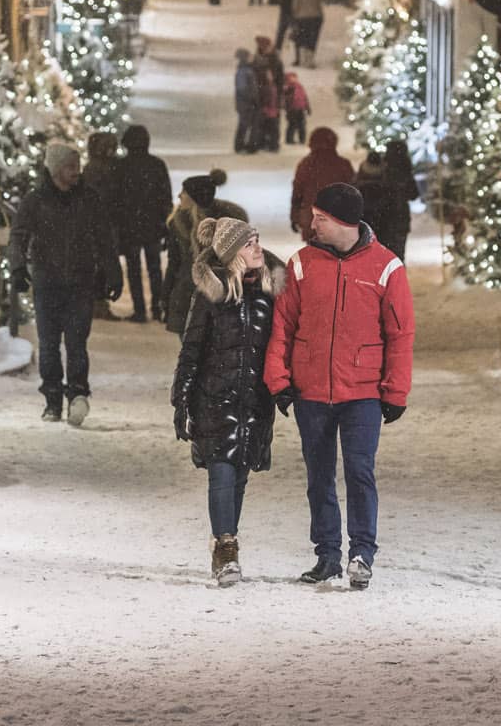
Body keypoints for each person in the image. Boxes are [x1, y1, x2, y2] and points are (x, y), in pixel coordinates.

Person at [264, 183, 415, 590]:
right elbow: (282, 327)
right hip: (311, 391)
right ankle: (327, 555)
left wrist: (395, 391)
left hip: (363, 392)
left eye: (320, 219)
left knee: (360, 471)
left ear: (344, 221)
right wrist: (279, 380)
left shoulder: (386, 267)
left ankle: (362, 553)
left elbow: (400, 334)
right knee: (319, 476)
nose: (312, 225)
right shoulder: (301, 265)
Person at [171, 218, 284, 585]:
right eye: (249, 243)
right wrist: (181, 401)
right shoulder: (211, 296)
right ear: (233, 253)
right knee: (221, 473)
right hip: (214, 400)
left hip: (254, 402)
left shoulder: (269, 294)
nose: (258, 248)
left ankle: (225, 540)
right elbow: (191, 351)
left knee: (238, 477)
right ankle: (226, 546)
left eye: (257, 240)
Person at [8, 143, 123, 426]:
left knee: (76, 343)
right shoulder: (35, 201)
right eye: (71, 167)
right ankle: (52, 399)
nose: (76, 172)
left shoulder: (89, 199)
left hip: (81, 283)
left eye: (77, 166)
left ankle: (77, 394)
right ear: (56, 169)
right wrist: (18, 267)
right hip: (46, 282)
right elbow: (18, 236)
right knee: (48, 344)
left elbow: (104, 239)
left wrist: (113, 272)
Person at [163, 171, 250, 334]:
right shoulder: (178, 225)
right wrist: (166, 295)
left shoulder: (227, 227)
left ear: (195, 198)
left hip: (213, 296)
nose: (179, 196)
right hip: (188, 295)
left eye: (184, 192)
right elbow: (174, 263)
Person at [114, 124, 173, 324]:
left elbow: (116, 199)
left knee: (134, 269)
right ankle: (157, 307)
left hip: (129, 225)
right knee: (154, 268)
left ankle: (139, 309)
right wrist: (165, 223)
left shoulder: (121, 167)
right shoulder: (157, 165)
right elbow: (165, 197)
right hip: (152, 225)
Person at [358, 139, 421, 259]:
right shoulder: (404, 170)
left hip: (382, 220)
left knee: (381, 255)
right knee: (398, 256)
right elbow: (414, 194)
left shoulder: (384, 170)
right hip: (400, 219)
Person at [289, 126, 355, 241]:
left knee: (315, 249)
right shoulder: (343, 165)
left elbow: (298, 194)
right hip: (338, 218)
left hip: (311, 219)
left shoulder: (306, 164)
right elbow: (353, 193)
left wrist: (295, 217)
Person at [83, 131, 123, 320]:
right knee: (104, 262)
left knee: (99, 262)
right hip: (105, 221)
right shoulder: (109, 168)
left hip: (99, 220)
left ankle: (97, 301)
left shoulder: (92, 168)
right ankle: (99, 302)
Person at [252, 36, 285, 152]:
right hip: (263, 93)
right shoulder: (258, 59)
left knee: (272, 120)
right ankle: (263, 142)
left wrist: (279, 92)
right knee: (263, 119)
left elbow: (280, 79)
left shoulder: (274, 60)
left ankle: (272, 143)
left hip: (272, 93)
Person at [290, 0, 326, 68]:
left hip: (302, 18)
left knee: (302, 37)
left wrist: (295, 15)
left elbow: (295, 4)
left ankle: (302, 58)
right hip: (316, 17)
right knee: (313, 38)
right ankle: (310, 59)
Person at [233, 49, 260, 154]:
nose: (251, 58)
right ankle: (240, 145)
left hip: (247, 102)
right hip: (246, 103)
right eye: (249, 57)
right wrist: (252, 98)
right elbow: (242, 88)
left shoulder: (247, 70)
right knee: (244, 124)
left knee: (248, 124)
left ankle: (245, 145)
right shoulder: (244, 71)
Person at [282, 71, 311, 146]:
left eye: (294, 77)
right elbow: (285, 99)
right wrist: (287, 107)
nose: (293, 79)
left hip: (300, 108)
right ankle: (289, 139)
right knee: (292, 124)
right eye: (291, 78)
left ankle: (302, 139)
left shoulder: (299, 86)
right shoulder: (287, 87)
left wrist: (307, 107)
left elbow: (304, 97)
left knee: (302, 125)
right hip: (292, 109)